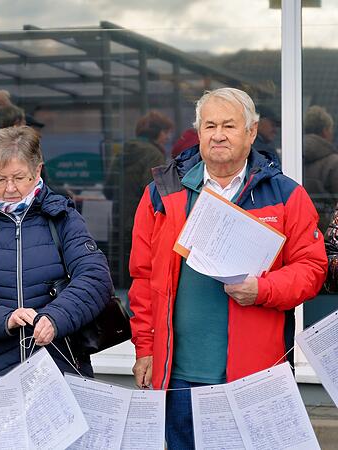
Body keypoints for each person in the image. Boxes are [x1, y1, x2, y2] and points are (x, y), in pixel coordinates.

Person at [128, 88, 327, 449]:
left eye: (230, 126)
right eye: (210, 125)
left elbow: (312, 269)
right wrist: (145, 348)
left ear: (251, 133)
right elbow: (142, 278)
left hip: (254, 376)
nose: (218, 134)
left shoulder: (284, 194)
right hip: (178, 377)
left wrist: (263, 289)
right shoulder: (162, 192)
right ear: (199, 132)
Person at [0, 125, 112, 381]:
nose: (9, 188)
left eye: (18, 178)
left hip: (59, 367)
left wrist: (55, 317)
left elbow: (95, 278)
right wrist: (4, 319)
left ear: (37, 170)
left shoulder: (63, 218)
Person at [104, 110, 172, 286]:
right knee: (141, 278)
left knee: (122, 277)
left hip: (120, 221)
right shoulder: (154, 155)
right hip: (143, 224)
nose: (167, 137)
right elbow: (155, 195)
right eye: (165, 132)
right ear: (157, 133)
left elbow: (108, 189)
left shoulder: (122, 153)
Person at [303, 105, 338, 233]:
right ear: (325, 131)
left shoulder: (293, 154)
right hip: (327, 231)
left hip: (303, 229)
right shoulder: (333, 162)